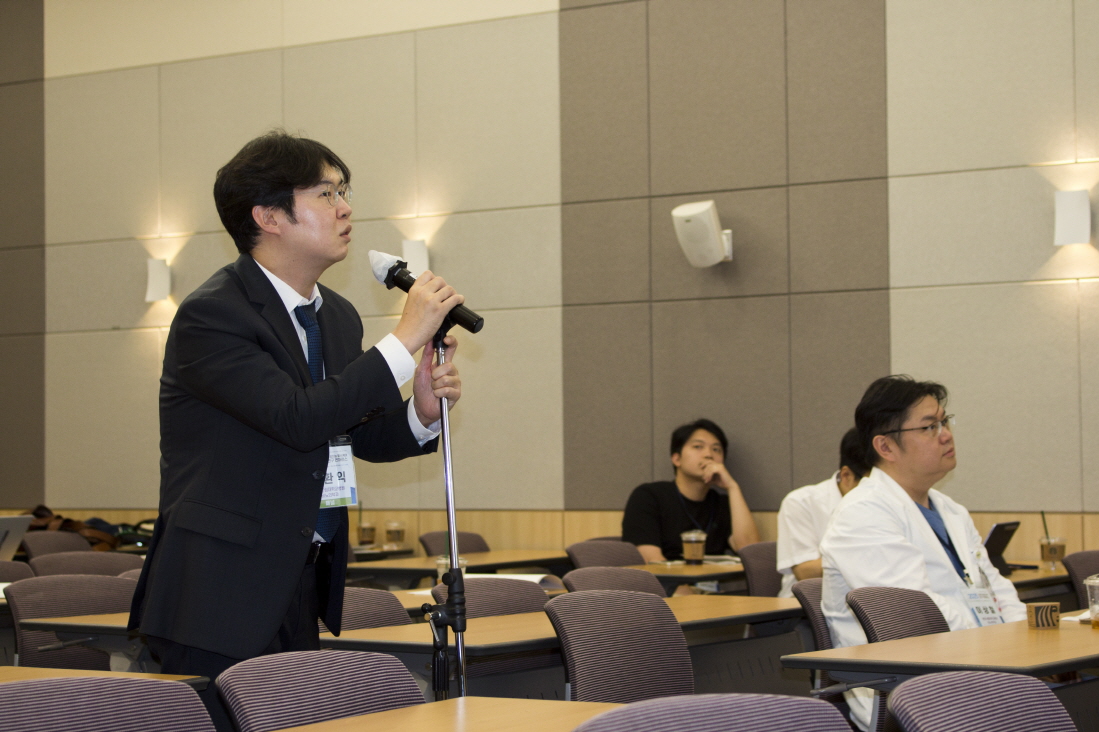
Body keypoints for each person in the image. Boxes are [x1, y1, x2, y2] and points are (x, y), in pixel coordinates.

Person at [127, 131, 464, 730]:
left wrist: (419, 413)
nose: (345, 208)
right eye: (326, 193)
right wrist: (403, 339)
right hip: (218, 594)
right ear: (269, 216)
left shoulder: (336, 316)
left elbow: (354, 431)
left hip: (301, 578)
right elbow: (296, 418)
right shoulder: (213, 315)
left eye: (344, 191)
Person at [820, 375, 1025, 731]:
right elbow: (918, 615)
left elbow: (994, 585)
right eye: (929, 427)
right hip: (912, 693)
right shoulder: (862, 514)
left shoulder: (951, 510)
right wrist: (1004, 650)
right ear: (886, 446)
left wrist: (1025, 639)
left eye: (945, 422)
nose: (946, 435)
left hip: (981, 666)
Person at [621, 419, 760, 566]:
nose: (709, 455)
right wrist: (687, 583)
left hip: (714, 579)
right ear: (677, 459)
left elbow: (751, 553)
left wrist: (732, 487)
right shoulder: (648, 497)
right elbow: (652, 562)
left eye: (716, 449)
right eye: (698, 447)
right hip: (665, 580)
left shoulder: (723, 504)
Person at [775, 428, 870, 597]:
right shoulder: (801, 502)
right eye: (872, 484)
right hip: (806, 606)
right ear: (846, 476)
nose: (880, 491)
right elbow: (805, 572)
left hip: (867, 601)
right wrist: (873, 556)